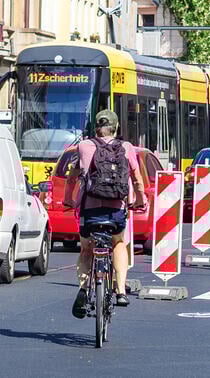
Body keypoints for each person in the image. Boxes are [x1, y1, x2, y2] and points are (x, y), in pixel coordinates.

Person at [63, 109, 147, 318]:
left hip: (89, 209)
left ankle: (83, 289)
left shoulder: (83, 146)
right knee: (118, 243)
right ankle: (120, 291)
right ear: (116, 127)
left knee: (85, 249)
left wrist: (69, 200)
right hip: (116, 209)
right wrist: (140, 199)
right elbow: (136, 178)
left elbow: (72, 177)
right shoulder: (126, 148)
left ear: (96, 128)